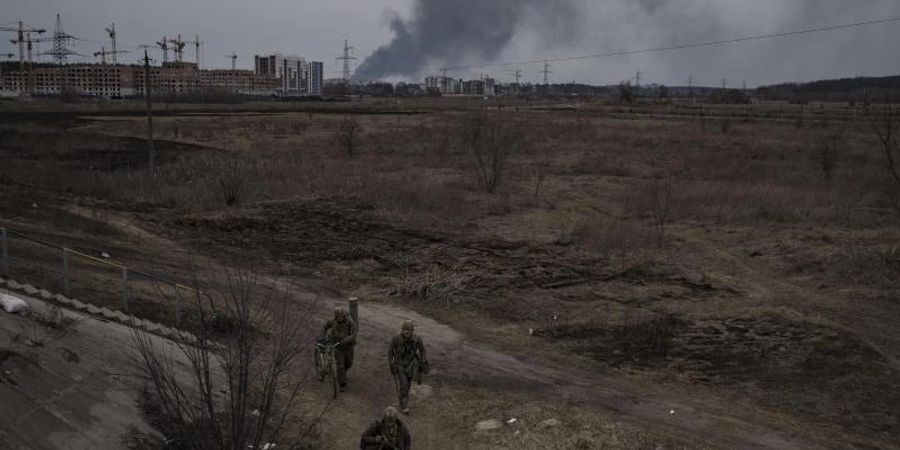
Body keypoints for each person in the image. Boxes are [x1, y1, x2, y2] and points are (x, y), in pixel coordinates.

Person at [388, 321, 429, 414]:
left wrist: (423, 361)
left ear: (412, 331)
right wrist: (391, 363)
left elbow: (423, 351)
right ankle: (404, 406)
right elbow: (390, 352)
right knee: (404, 385)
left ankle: (401, 397)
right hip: (400, 364)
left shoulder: (417, 339)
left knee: (409, 384)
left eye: (408, 330)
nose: (406, 332)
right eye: (404, 329)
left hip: (411, 365)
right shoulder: (396, 339)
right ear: (402, 330)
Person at [322, 307, 357, 391]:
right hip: (337, 346)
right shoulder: (333, 321)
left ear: (344, 316)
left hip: (348, 346)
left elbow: (353, 335)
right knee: (340, 365)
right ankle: (342, 384)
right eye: (338, 316)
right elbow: (325, 326)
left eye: (341, 316)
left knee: (349, 363)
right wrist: (323, 335)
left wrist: (344, 341)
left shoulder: (350, 323)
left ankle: (342, 374)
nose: (339, 318)